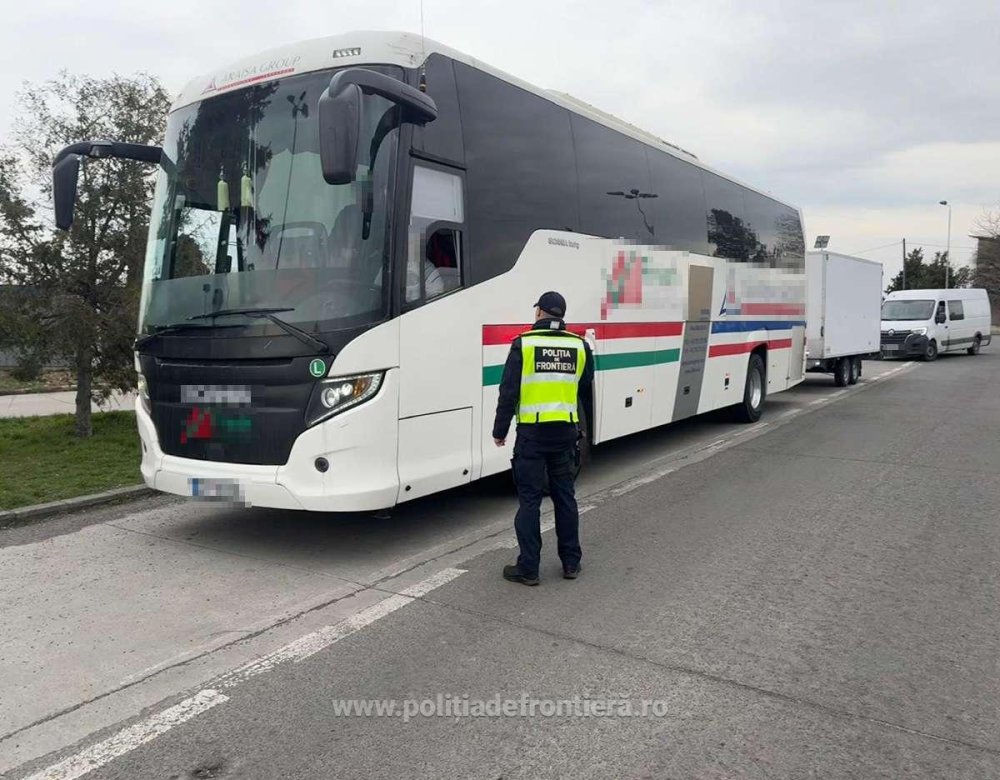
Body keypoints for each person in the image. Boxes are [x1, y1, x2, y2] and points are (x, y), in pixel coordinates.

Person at [492, 291, 595, 586]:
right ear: (561, 315)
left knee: (530, 502)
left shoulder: (523, 344)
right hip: (565, 434)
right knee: (565, 498)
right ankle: (571, 563)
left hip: (532, 437)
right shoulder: (579, 346)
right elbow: (585, 386)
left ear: (539, 312)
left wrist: (500, 431)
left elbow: (508, 392)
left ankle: (529, 568)